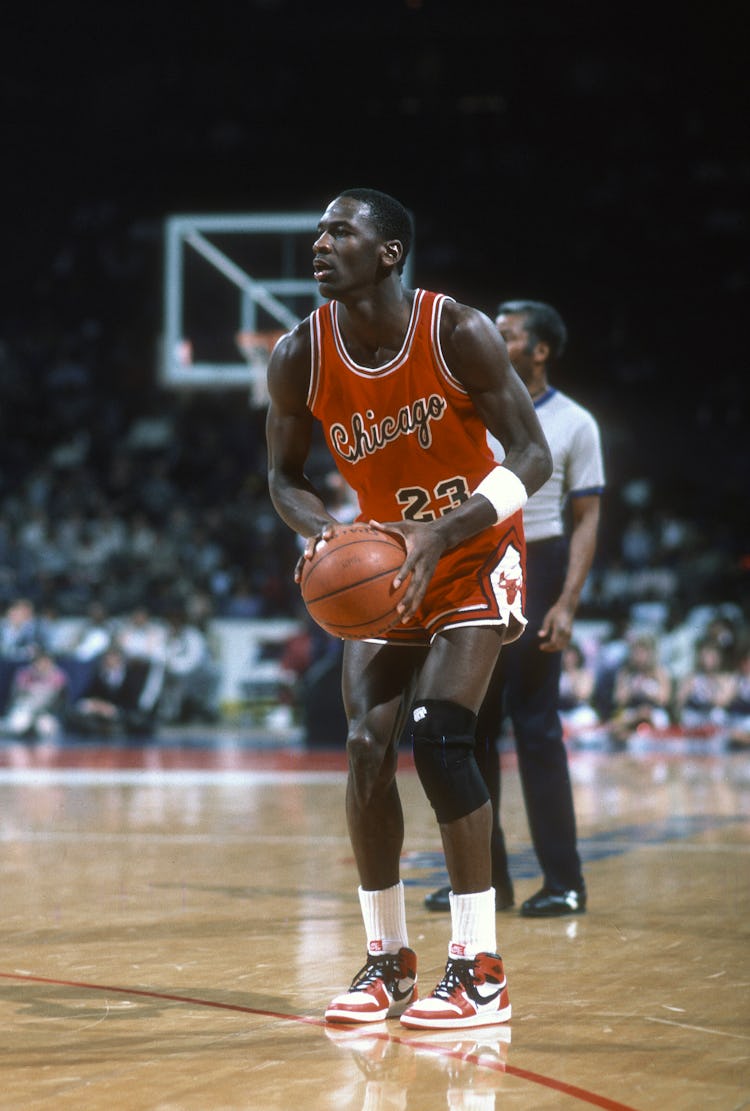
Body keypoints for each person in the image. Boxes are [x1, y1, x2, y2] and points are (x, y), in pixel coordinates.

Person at [266, 188, 552, 1030]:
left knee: (439, 730)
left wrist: (445, 531)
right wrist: (322, 532)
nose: (320, 241)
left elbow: (531, 455)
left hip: (474, 548)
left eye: (340, 230)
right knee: (362, 743)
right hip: (387, 561)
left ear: (389, 252)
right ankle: (387, 961)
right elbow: (284, 477)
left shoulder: (454, 330)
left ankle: (480, 969)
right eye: (317, 228)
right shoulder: (298, 355)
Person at [424, 301, 604, 918]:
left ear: (541, 350)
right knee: (470, 727)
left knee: (537, 728)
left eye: (510, 334)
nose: (497, 340)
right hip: (479, 563)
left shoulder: (576, 422)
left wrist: (567, 602)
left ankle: (564, 880)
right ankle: (485, 882)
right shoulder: (476, 406)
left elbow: (587, 518)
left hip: (541, 561)